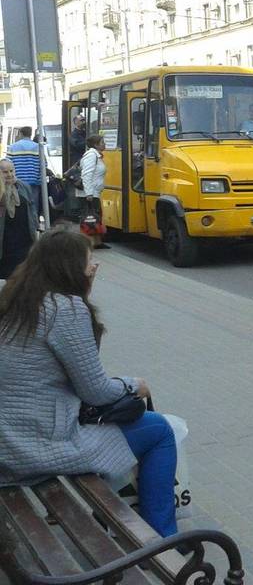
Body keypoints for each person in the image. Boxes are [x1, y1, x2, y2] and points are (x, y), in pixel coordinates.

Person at [0, 227, 177, 537]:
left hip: (8, 441)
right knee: (159, 430)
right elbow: (95, 391)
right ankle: (164, 541)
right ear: (68, 268)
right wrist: (135, 384)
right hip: (34, 449)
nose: (94, 266)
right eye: (88, 260)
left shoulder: (14, 299)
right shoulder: (64, 309)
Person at [0, 160, 38, 279]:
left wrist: (35, 224)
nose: (10, 175)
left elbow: (32, 206)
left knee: (23, 272)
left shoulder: (23, 186)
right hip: (5, 240)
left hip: (24, 237)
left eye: (11, 171)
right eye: (5, 172)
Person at [78, 135, 109, 250]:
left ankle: (97, 242)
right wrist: (89, 193)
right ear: (96, 145)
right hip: (91, 193)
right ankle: (88, 243)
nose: (104, 144)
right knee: (91, 218)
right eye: (102, 142)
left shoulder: (97, 156)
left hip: (95, 192)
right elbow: (86, 174)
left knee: (96, 217)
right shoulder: (91, 155)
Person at [7, 126, 42, 220]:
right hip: (34, 183)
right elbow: (44, 165)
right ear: (30, 134)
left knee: (19, 205)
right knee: (33, 206)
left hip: (18, 183)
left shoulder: (13, 147)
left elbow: (8, 164)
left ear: (21, 134)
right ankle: (34, 227)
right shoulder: (38, 147)